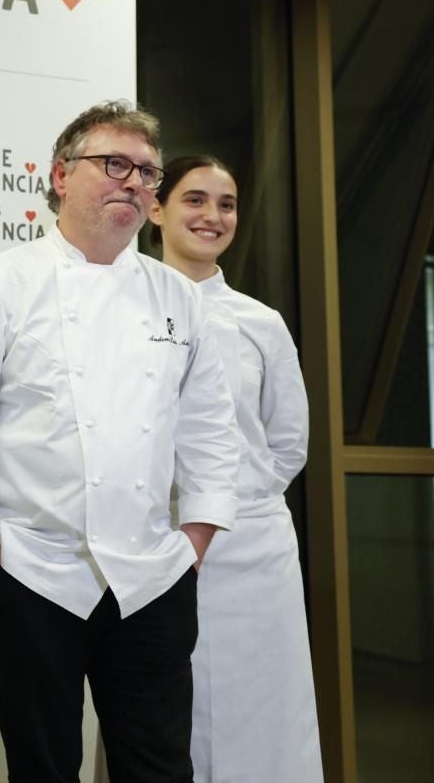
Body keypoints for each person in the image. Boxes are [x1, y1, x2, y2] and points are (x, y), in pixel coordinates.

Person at [0, 100, 240, 783]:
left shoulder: (178, 297)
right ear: (59, 176)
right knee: (43, 764)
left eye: (146, 172)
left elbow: (210, 433)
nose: (134, 183)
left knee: (159, 765)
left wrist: (190, 545)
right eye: (114, 165)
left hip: (153, 576)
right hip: (35, 571)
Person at [147, 155, 323, 783]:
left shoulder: (260, 322)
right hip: (159, 542)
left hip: (254, 545)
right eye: (195, 200)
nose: (213, 216)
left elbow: (287, 442)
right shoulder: (126, 308)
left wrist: (236, 501)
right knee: (161, 714)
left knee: (265, 709)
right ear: (156, 208)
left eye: (226, 204)